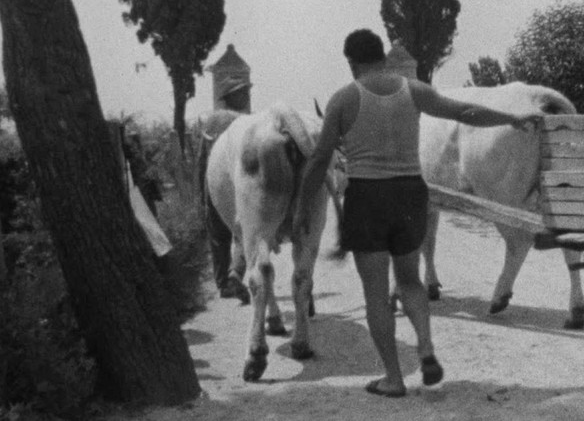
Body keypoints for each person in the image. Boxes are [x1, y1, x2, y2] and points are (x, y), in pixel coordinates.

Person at [293, 29, 542, 398]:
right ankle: (425, 345)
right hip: (411, 194)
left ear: (351, 62)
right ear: (383, 57)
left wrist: (301, 210)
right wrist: (511, 118)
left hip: (368, 198)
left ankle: (393, 379)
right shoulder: (414, 90)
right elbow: (465, 111)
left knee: (376, 294)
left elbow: (318, 161)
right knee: (410, 280)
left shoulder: (343, 99)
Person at [198, 76, 252, 303]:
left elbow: (202, 159)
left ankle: (224, 283)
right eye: (242, 92)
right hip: (239, 185)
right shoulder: (247, 122)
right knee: (245, 231)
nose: (247, 95)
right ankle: (235, 274)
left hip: (214, 184)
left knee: (218, 236)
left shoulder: (211, 120)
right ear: (232, 97)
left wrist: (201, 192)